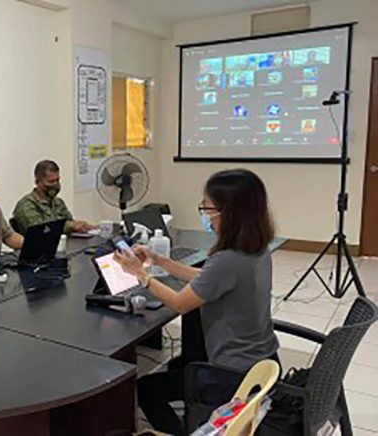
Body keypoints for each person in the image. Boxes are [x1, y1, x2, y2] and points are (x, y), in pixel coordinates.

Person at [114, 169, 279, 435]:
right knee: (178, 368)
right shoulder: (256, 248)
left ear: (229, 212)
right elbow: (208, 278)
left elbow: (180, 304)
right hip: (263, 361)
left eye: (207, 207)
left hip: (232, 375)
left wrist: (141, 275)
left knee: (146, 389)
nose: (204, 214)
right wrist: (160, 261)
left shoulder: (228, 260)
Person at [12, 160, 94, 235]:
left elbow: (69, 221)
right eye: (51, 181)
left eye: (57, 180)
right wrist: (70, 226)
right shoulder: (27, 205)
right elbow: (41, 230)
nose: (55, 185)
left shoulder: (58, 202)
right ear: (38, 182)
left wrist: (81, 226)